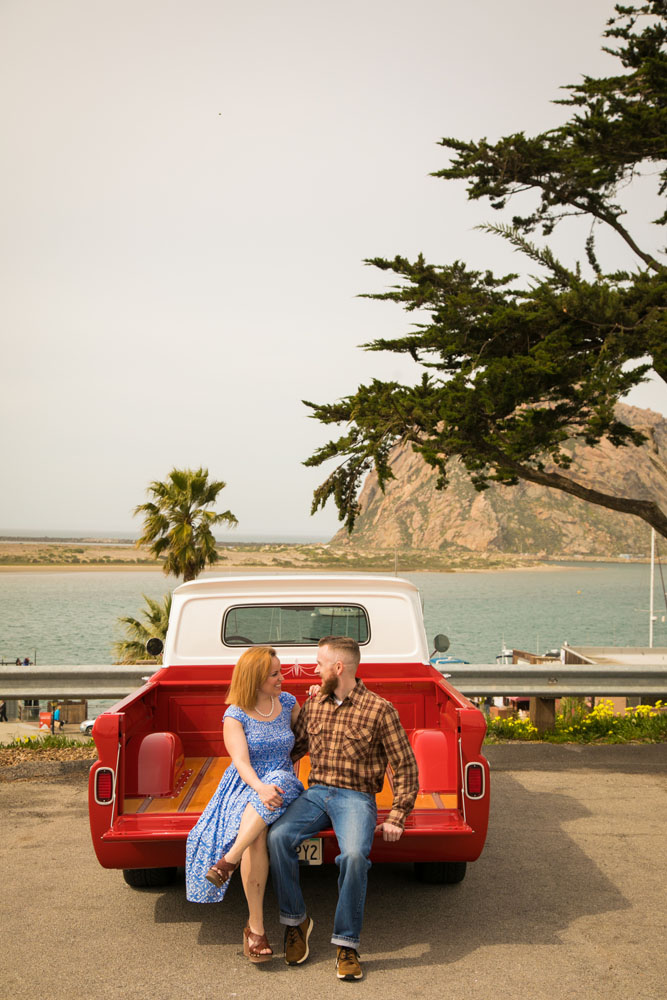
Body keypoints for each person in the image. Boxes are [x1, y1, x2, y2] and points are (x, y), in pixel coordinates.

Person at [268, 635, 419, 982]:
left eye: (319, 664)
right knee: (278, 837)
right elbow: (295, 748)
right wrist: (255, 782)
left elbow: (406, 767)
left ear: (339, 668)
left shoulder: (380, 710)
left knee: (353, 856)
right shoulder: (316, 704)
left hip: (356, 797)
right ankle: (296, 922)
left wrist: (397, 815)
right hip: (317, 793)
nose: (314, 670)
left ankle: (346, 945)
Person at [185, 646, 304, 963]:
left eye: (280, 672)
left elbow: (311, 734)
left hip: (281, 776)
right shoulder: (234, 714)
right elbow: (240, 761)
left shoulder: (289, 702)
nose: (283, 678)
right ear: (255, 678)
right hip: (247, 781)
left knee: (278, 783)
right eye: (275, 674)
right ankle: (255, 928)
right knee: (257, 835)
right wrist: (260, 788)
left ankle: (228, 860)